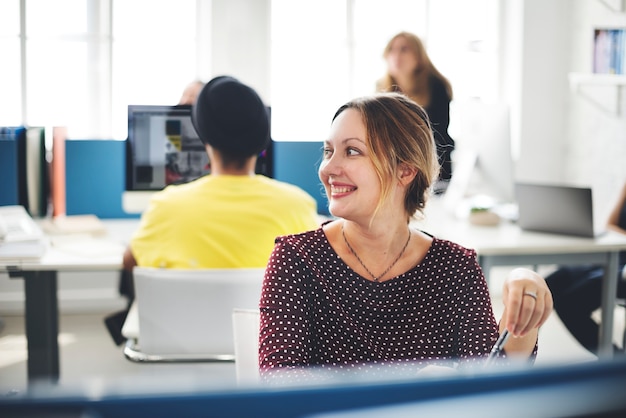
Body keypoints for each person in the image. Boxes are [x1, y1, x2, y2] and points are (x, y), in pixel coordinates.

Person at [258, 92, 552, 381]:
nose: (329, 169)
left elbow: (489, 384)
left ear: (405, 170)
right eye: (328, 151)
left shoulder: (455, 268)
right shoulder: (297, 259)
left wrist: (527, 304)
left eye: (351, 151)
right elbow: (280, 382)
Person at [105, 76, 319, 345]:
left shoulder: (167, 206)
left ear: (203, 136)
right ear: (262, 139)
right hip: (267, 351)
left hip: (181, 350)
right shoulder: (297, 205)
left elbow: (131, 262)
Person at [545, 181, 626, 355]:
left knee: (569, 303)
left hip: (623, 269)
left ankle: (614, 360)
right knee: (548, 285)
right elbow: (610, 225)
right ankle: (521, 356)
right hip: (616, 255)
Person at [376, 32, 455, 188]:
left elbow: (437, 136)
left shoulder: (436, 87)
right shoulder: (381, 89)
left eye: (404, 49)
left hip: (433, 167)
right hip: (395, 169)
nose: (396, 55)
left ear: (418, 57)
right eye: (392, 49)